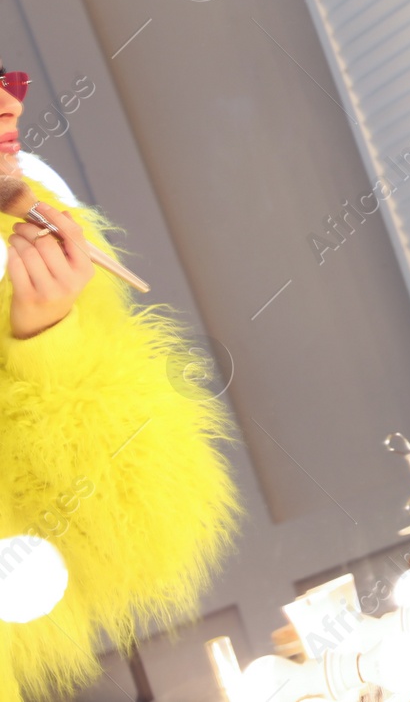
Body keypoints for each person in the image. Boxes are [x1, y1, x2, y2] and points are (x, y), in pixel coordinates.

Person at [0, 58, 239, 702]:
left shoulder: (24, 240)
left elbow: (141, 540)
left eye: (7, 76)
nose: (10, 104)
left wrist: (50, 343)